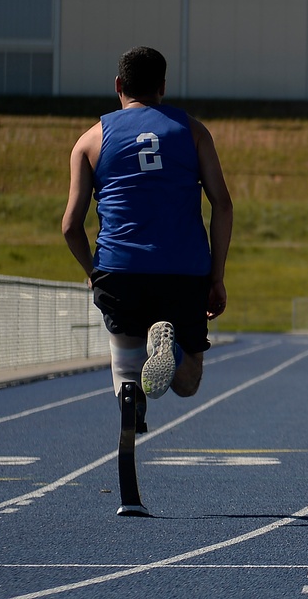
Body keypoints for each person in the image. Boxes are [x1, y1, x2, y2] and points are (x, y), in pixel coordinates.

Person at [62, 46, 233, 431]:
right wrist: (216, 277)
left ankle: (130, 395)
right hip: (183, 271)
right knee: (187, 384)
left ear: (119, 85)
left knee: (124, 356)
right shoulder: (192, 131)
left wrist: (94, 273)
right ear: (163, 86)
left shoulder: (89, 141)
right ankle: (169, 348)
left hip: (120, 270)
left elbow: (71, 225)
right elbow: (222, 205)